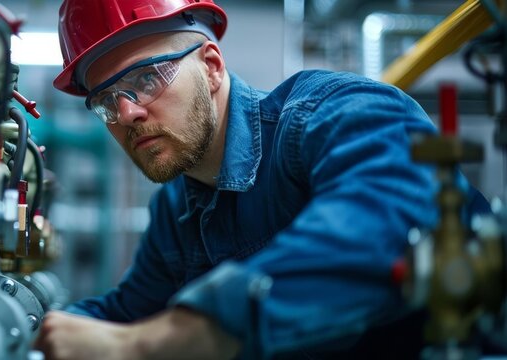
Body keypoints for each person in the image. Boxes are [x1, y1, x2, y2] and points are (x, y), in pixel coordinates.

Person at [34, 1, 491, 359]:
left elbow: (383, 223)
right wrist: (29, 328)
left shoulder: (328, 114)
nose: (127, 114)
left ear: (211, 67)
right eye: (106, 100)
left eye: (147, 78)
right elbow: (128, 314)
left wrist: (153, 343)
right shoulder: (176, 206)